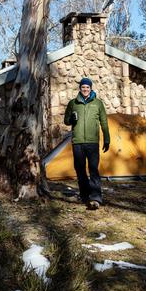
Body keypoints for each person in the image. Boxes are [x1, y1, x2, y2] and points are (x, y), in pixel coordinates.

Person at [63, 77, 110, 210]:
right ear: (80, 88)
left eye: (87, 87)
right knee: (80, 170)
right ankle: (84, 195)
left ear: (91, 88)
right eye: (83, 87)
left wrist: (107, 138)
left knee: (93, 170)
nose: (85, 89)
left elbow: (104, 122)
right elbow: (66, 121)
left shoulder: (98, 103)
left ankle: (95, 198)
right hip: (77, 142)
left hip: (92, 142)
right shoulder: (73, 103)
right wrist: (71, 119)